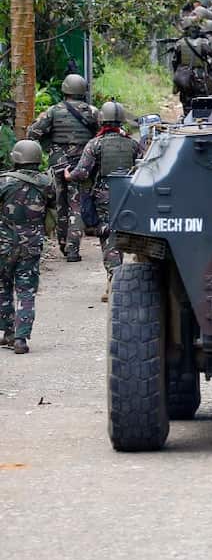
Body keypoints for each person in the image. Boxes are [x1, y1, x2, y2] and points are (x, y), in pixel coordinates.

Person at [66, 101, 141, 300]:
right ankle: (119, 278)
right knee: (122, 232)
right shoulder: (132, 144)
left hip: (103, 197)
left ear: (101, 120)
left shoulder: (95, 144)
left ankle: (114, 279)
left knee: (108, 237)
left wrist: (68, 175)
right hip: (128, 196)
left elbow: (81, 173)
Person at [27, 73, 99, 262]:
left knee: (61, 204)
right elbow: (101, 136)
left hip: (58, 163)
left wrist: (48, 147)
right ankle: (73, 250)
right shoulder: (92, 112)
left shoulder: (53, 111)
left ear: (65, 89)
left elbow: (32, 133)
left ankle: (63, 245)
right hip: (83, 164)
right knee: (77, 205)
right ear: (83, 90)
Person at [0, 140, 55, 354]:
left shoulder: (4, 181)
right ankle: (21, 339)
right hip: (31, 244)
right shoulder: (45, 182)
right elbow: (54, 207)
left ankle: (8, 333)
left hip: (4, 243)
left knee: (3, 286)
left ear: (16, 157)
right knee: (26, 290)